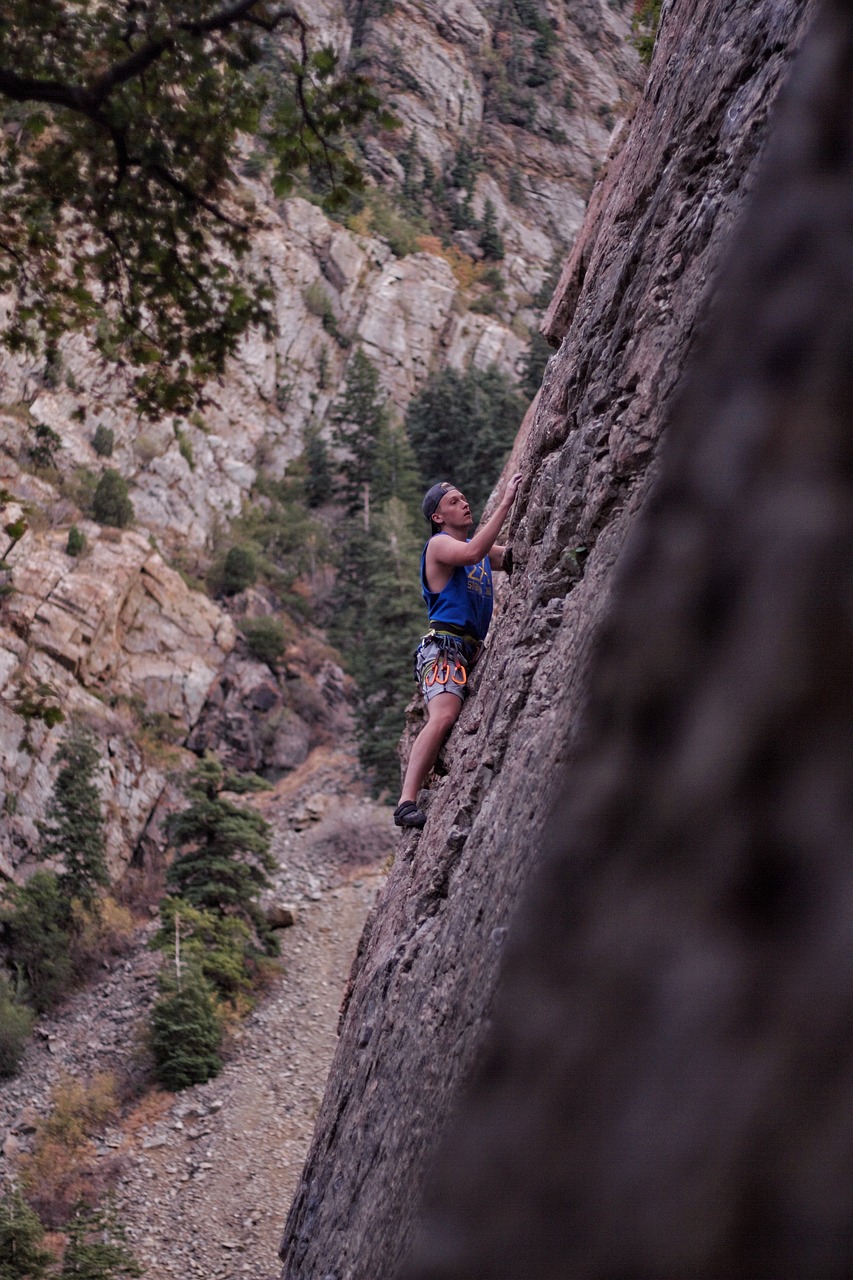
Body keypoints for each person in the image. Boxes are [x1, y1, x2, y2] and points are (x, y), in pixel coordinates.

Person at [393, 472, 523, 829]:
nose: (464, 504)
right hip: (444, 648)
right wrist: (509, 500)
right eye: (453, 502)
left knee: (449, 719)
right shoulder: (440, 546)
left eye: (464, 498)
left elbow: (512, 555)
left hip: (468, 651)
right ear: (438, 517)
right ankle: (406, 803)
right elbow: (473, 551)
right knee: (444, 716)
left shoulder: (476, 554)